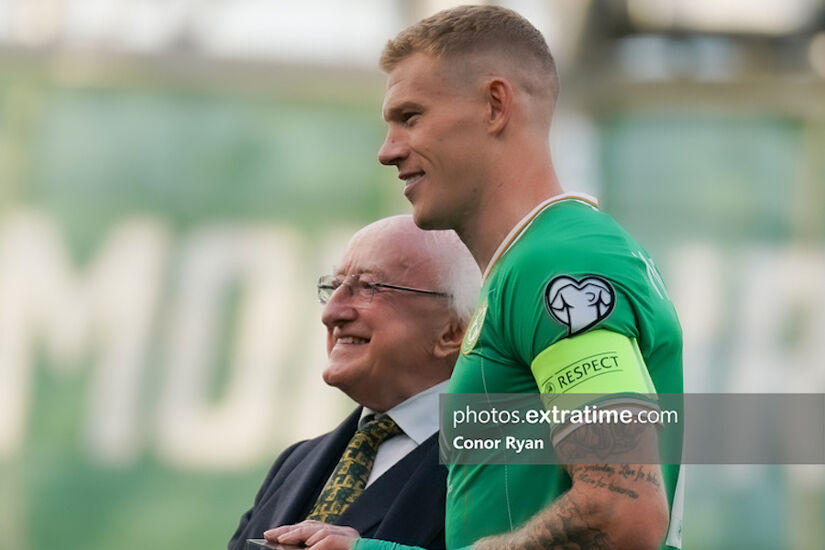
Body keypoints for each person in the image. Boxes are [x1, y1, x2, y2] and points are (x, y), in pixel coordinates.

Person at [266, 5, 684, 550]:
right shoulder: (539, 260)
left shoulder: (557, 263)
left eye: (410, 117)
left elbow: (621, 511)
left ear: (494, 105)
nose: (387, 150)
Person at [228, 215, 480, 550]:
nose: (331, 312)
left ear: (454, 330)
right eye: (333, 287)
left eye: (369, 287)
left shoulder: (517, 452)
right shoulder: (295, 464)